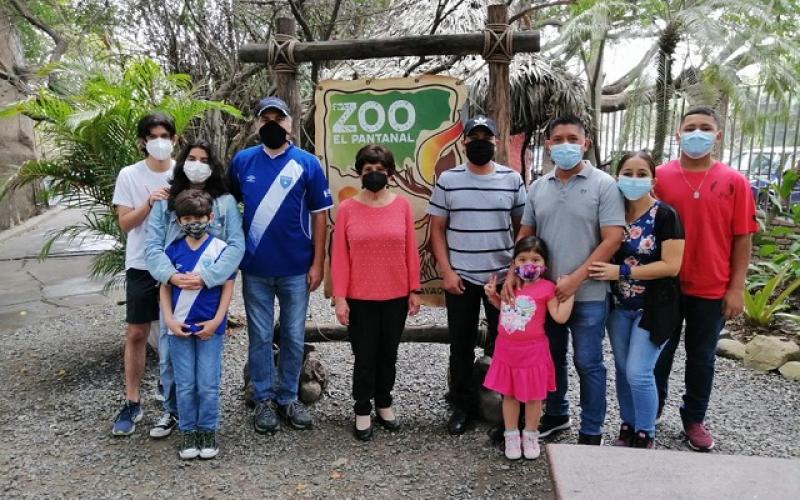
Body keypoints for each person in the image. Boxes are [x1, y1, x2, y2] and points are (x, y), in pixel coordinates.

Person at [507, 114, 625, 445]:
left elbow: (612, 237)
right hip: (545, 293)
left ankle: (592, 428)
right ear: (548, 145)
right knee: (550, 357)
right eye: (557, 139)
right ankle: (557, 413)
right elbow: (526, 234)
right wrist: (513, 274)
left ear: (585, 144)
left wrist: (576, 279)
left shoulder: (604, 185)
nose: (565, 145)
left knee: (588, 361)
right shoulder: (538, 187)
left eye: (572, 139)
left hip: (588, 293)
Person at [653, 107, 758, 451]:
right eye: (690, 127)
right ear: (678, 135)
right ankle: (648, 415)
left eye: (706, 128)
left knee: (702, 358)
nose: (698, 133)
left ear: (718, 135)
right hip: (666, 284)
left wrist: (736, 288)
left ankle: (694, 418)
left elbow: (743, 237)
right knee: (658, 353)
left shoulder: (735, 182)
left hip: (712, 287)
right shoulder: (660, 177)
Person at [228, 96, 333, 434]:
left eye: (279, 117)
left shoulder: (308, 163)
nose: (272, 123)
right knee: (259, 336)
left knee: (292, 335)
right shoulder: (242, 161)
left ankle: (288, 397)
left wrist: (318, 263)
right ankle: (263, 399)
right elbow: (226, 210)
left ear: (290, 123)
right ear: (257, 124)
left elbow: (321, 216)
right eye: (265, 118)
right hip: (255, 268)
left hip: (296, 268)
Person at [427, 115, 527, 435]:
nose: (480, 143)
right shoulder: (448, 180)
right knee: (461, 344)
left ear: (495, 142)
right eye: (474, 138)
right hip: (462, 278)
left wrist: (515, 272)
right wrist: (447, 271)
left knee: (504, 343)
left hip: (501, 280)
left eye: (486, 137)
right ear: (465, 142)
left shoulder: (512, 180)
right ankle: (462, 404)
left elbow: (523, 229)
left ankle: (504, 405)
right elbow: (436, 230)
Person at [145, 140, 244, 439]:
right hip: (174, 292)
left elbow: (237, 244)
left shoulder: (224, 202)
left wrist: (208, 276)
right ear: (182, 161)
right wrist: (172, 277)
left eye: (204, 159)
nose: (197, 163)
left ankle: (204, 423)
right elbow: (152, 246)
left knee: (205, 367)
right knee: (170, 355)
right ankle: (173, 411)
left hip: (208, 294)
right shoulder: (166, 199)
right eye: (191, 157)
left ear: (212, 165)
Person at [588, 151, 685, 449]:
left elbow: (672, 265)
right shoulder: (612, 215)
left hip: (655, 308)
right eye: (628, 172)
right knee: (621, 368)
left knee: (639, 371)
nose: (634, 179)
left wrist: (622, 271)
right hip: (619, 308)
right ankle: (627, 426)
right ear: (617, 177)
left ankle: (646, 434)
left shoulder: (665, 215)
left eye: (642, 173)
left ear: (653, 179)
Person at [331, 144, 422, 441]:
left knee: (389, 354)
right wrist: (341, 298)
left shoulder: (402, 206)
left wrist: (414, 289)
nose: (374, 175)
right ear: (359, 172)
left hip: (395, 296)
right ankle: (361, 408)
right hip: (360, 298)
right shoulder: (346, 209)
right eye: (368, 170)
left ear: (390, 174)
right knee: (364, 355)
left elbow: (411, 249)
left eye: (380, 170)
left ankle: (384, 402)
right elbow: (340, 257)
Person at [111, 112, 177, 436]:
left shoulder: (184, 172)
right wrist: (150, 203)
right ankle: (132, 401)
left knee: (174, 330)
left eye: (165, 135)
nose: (160, 142)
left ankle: (172, 397)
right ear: (143, 141)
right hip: (140, 263)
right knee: (137, 332)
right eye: (153, 137)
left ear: (174, 139)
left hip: (177, 264)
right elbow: (124, 223)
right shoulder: (129, 175)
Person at [160, 190, 235, 460]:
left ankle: (208, 430)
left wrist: (218, 320)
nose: (194, 223)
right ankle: (188, 431)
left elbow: (228, 285)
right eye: (188, 218)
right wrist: (168, 319)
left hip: (209, 328)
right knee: (185, 383)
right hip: (178, 327)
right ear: (179, 221)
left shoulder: (220, 249)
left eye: (200, 217)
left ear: (210, 217)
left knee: (207, 382)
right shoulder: (173, 250)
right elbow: (165, 288)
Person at [483, 236, 574, 460]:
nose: (528, 264)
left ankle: (531, 435)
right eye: (522, 259)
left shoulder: (547, 288)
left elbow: (559, 317)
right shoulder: (510, 284)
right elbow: (506, 310)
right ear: (513, 263)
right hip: (506, 351)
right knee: (509, 395)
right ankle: (511, 435)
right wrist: (493, 296)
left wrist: (570, 292)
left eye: (535, 259)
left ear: (545, 265)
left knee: (534, 397)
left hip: (534, 352)